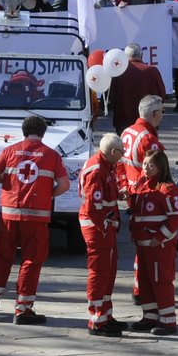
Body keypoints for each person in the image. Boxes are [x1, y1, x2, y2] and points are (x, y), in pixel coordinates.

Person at [0, 115, 70, 324]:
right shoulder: (51, 155)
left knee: (3, 256)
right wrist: (48, 193)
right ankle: (23, 309)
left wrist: (6, 183)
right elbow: (64, 184)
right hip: (36, 217)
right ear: (43, 133)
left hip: (9, 213)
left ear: (23, 131)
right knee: (32, 260)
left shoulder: (10, 150)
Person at [128, 149, 178, 335]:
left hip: (159, 247)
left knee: (161, 282)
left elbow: (176, 218)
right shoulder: (142, 185)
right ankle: (149, 316)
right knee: (144, 282)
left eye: (151, 164)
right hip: (143, 246)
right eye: (144, 164)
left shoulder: (167, 189)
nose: (146, 167)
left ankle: (168, 321)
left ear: (161, 166)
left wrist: (158, 237)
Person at [78, 136, 126, 337]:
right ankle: (97, 319)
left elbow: (103, 196)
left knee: (108, 271)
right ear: (113, 152)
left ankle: (105, 314)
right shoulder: (97, 169)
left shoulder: (105, 166)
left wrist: (117, 195)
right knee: (99, 272)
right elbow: (93, 207)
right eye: (121, 152)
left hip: (104, 227)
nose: (123, 156)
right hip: (98, 229)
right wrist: (105, 227)